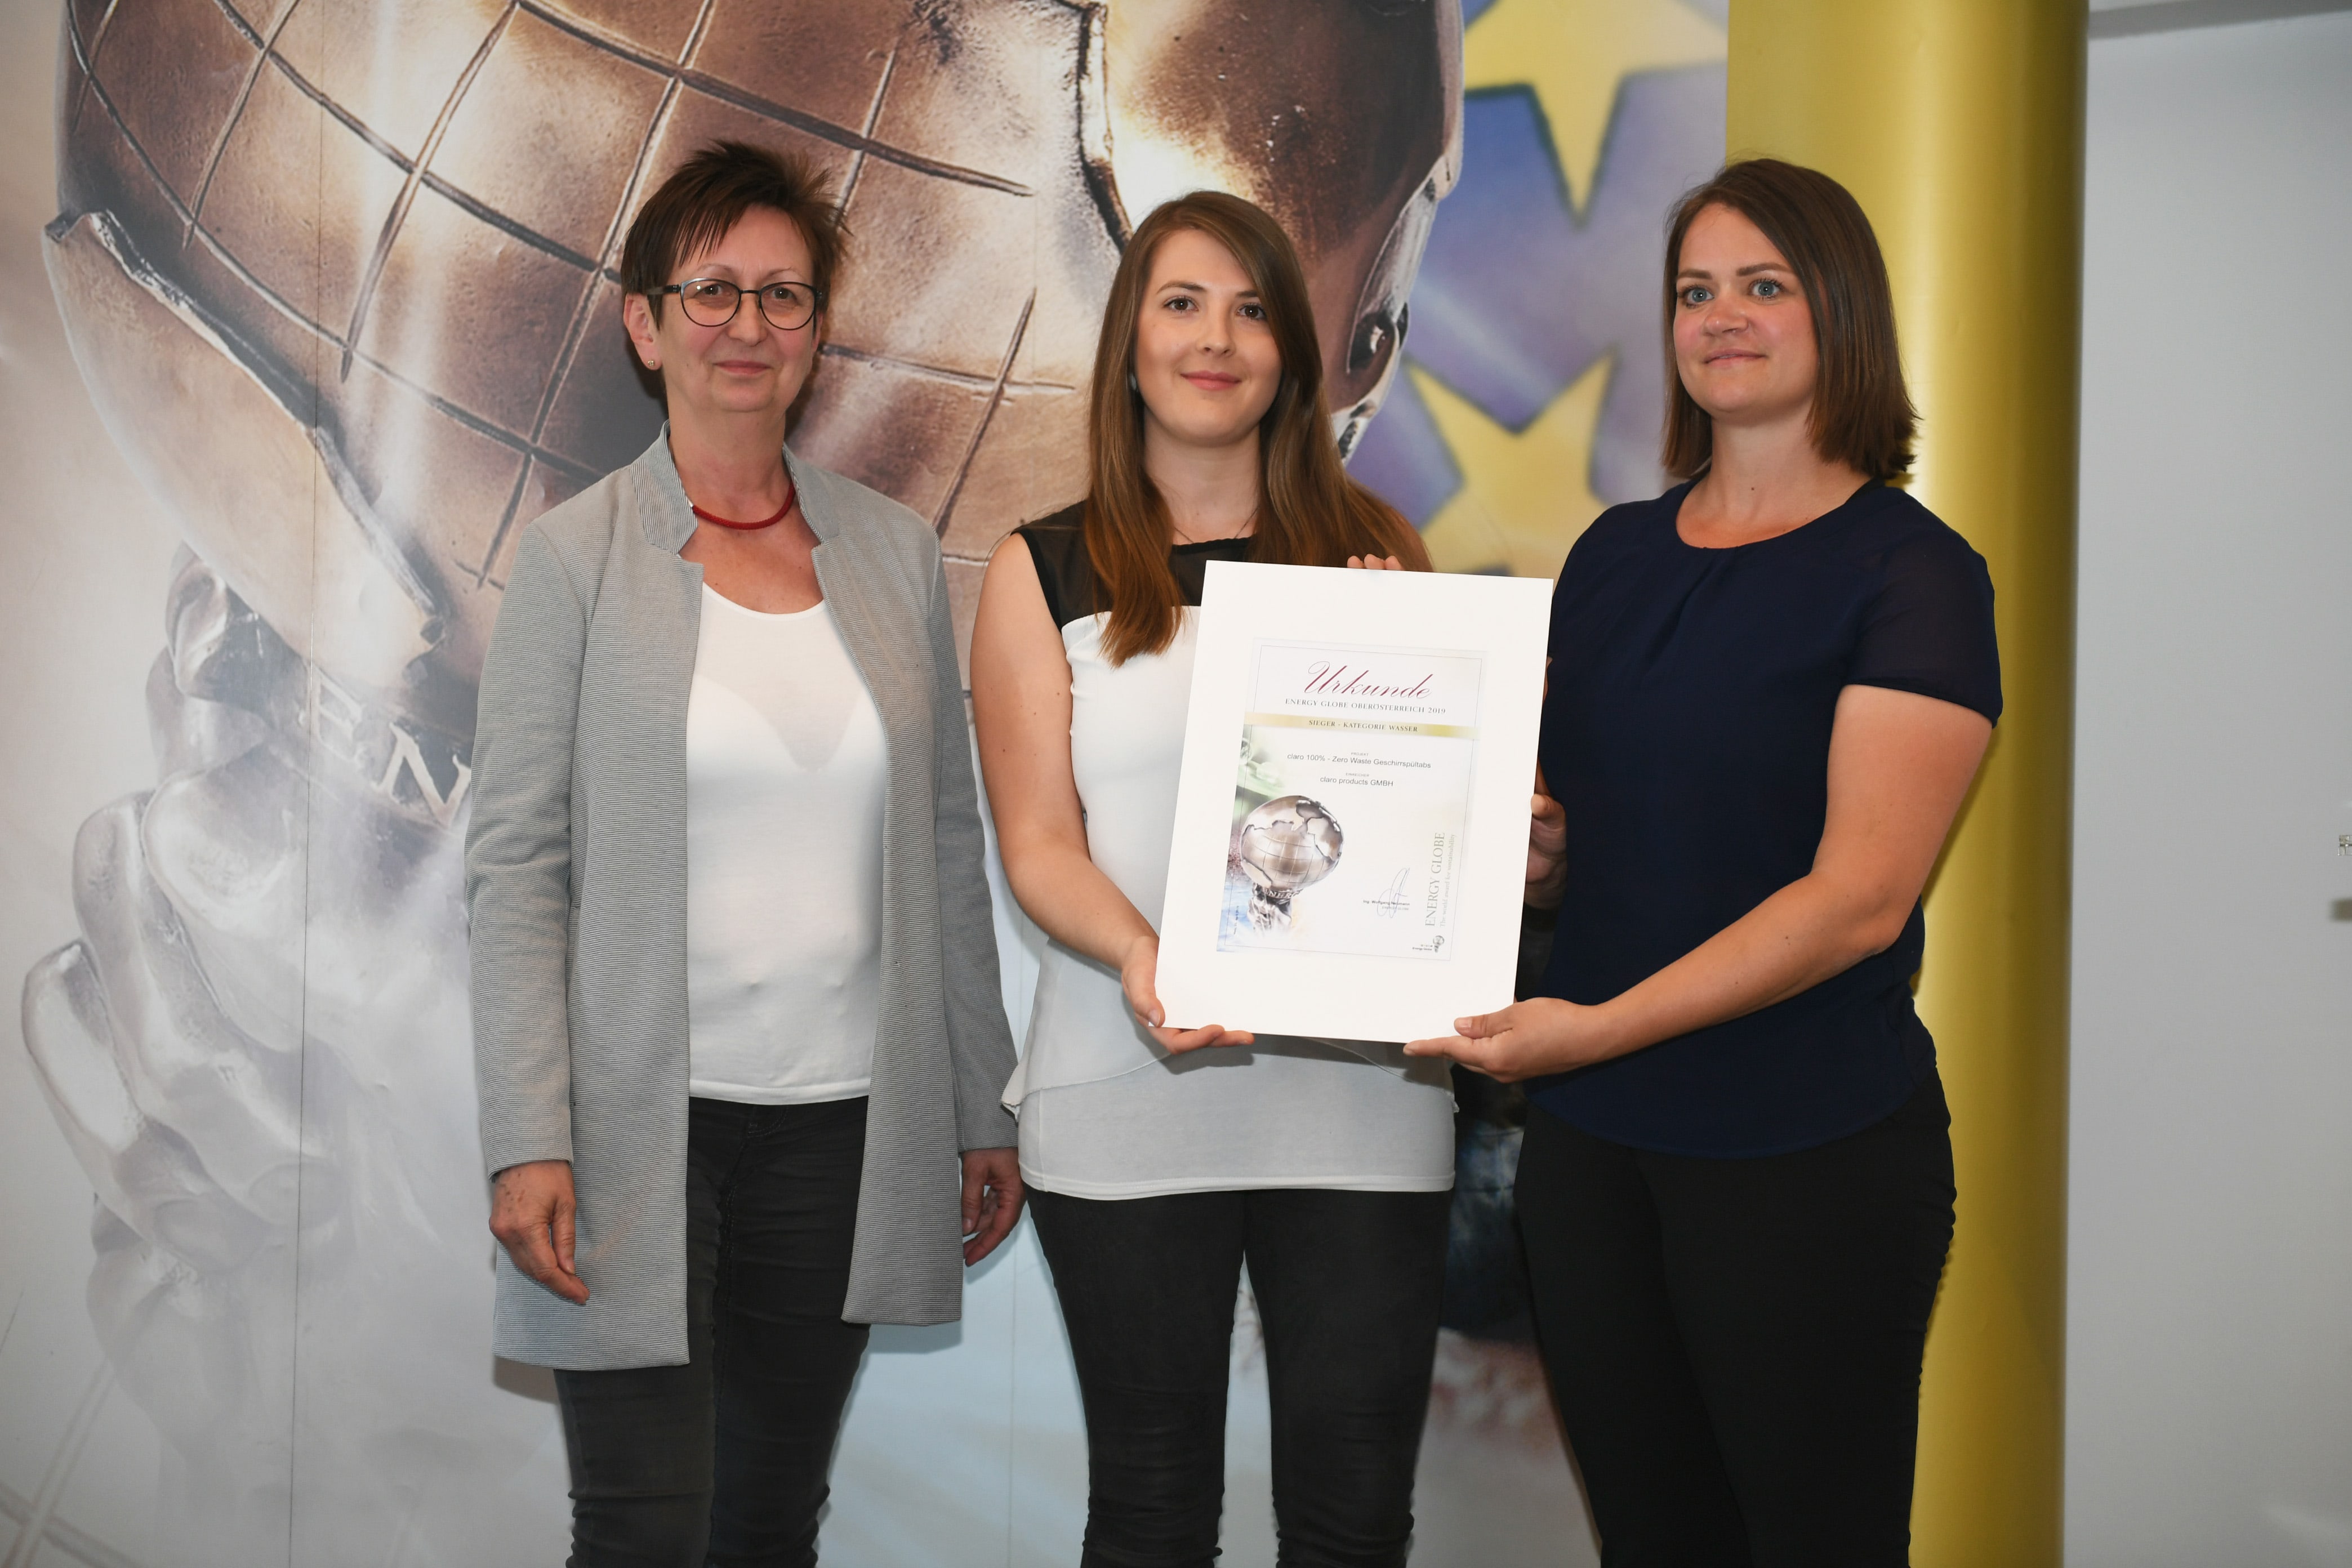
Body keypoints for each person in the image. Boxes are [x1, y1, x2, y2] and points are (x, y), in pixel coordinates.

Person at [1406, 158, 2001, 1565]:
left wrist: (1595, 1029)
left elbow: (1858, 902)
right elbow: (1601, 846)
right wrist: (1543, 858)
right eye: (1695, 291)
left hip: (1803, 1153)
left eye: (1763, 285)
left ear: (1838, 312)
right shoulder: (1614, 558)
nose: (1722, 316)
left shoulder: (1914, 572)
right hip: (1594, 1160)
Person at [465, 141, 1022, 1566]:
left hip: (841, 1136)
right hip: (634, 1131)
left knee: (767, 1528)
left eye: (784, 295)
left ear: (819, 334)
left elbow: (945, 845)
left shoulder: (895, 554)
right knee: (644, 1532)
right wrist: (528, 1136)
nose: (748, 326)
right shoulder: (575, 559)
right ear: (645, 325)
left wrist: (985, 1102)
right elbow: (517, 869)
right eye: (711, 291)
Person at [970, 190, 1451, 1568]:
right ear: (1129, 342)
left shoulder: (1377, 555)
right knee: (1151, 1509)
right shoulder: (1042, 570)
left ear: (1295, 353)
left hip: (1361, 1106)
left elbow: (1419, 824)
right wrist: (1145, 955)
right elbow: (1039, 843)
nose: (1216, 339)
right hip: (1128, 1095)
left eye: (1250, 310)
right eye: (1180, 304)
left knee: (1354, 1518)